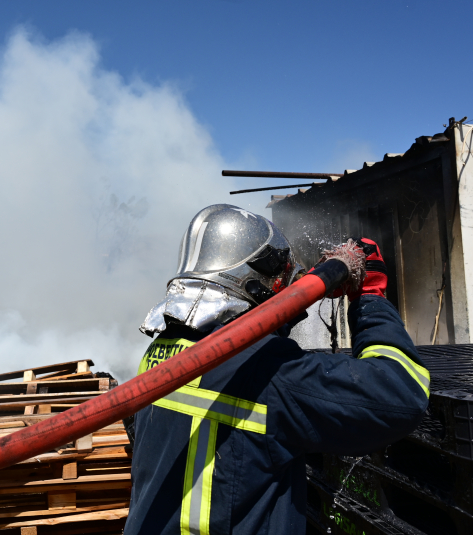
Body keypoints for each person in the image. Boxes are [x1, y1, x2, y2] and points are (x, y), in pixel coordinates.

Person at [126, 204, 429, 535]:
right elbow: (401, 393)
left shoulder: (160, 351)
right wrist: (369, 297)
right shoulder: (267, 371)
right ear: (255, 284)